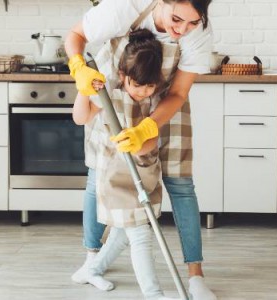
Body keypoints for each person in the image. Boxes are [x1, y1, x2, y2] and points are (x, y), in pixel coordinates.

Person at [65, 0, 216, 299]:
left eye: (192, 23)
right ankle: (92, 260)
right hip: (113, 102)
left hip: (166, 106)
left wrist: (148, 128)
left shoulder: (198, 33)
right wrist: (79, 69)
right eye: (176, 19)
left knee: (181, 185)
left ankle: (195, 276)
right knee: (98, 179)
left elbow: (178, 92)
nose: (182, 30)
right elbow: (76, 35)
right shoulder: (125, 7)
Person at [71, 29, 176, 300]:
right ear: (122, 76)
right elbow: (80, 118)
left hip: (145, 175)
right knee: (140, 233)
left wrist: (143, 139)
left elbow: (153, 141)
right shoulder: (110, 97)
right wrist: (83, 90)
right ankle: (154, 294)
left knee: (122, 231)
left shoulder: (155, 100)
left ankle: (91, 270)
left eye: (149, 86)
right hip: (116, 179)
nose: (143, 92)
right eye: (137, 85)